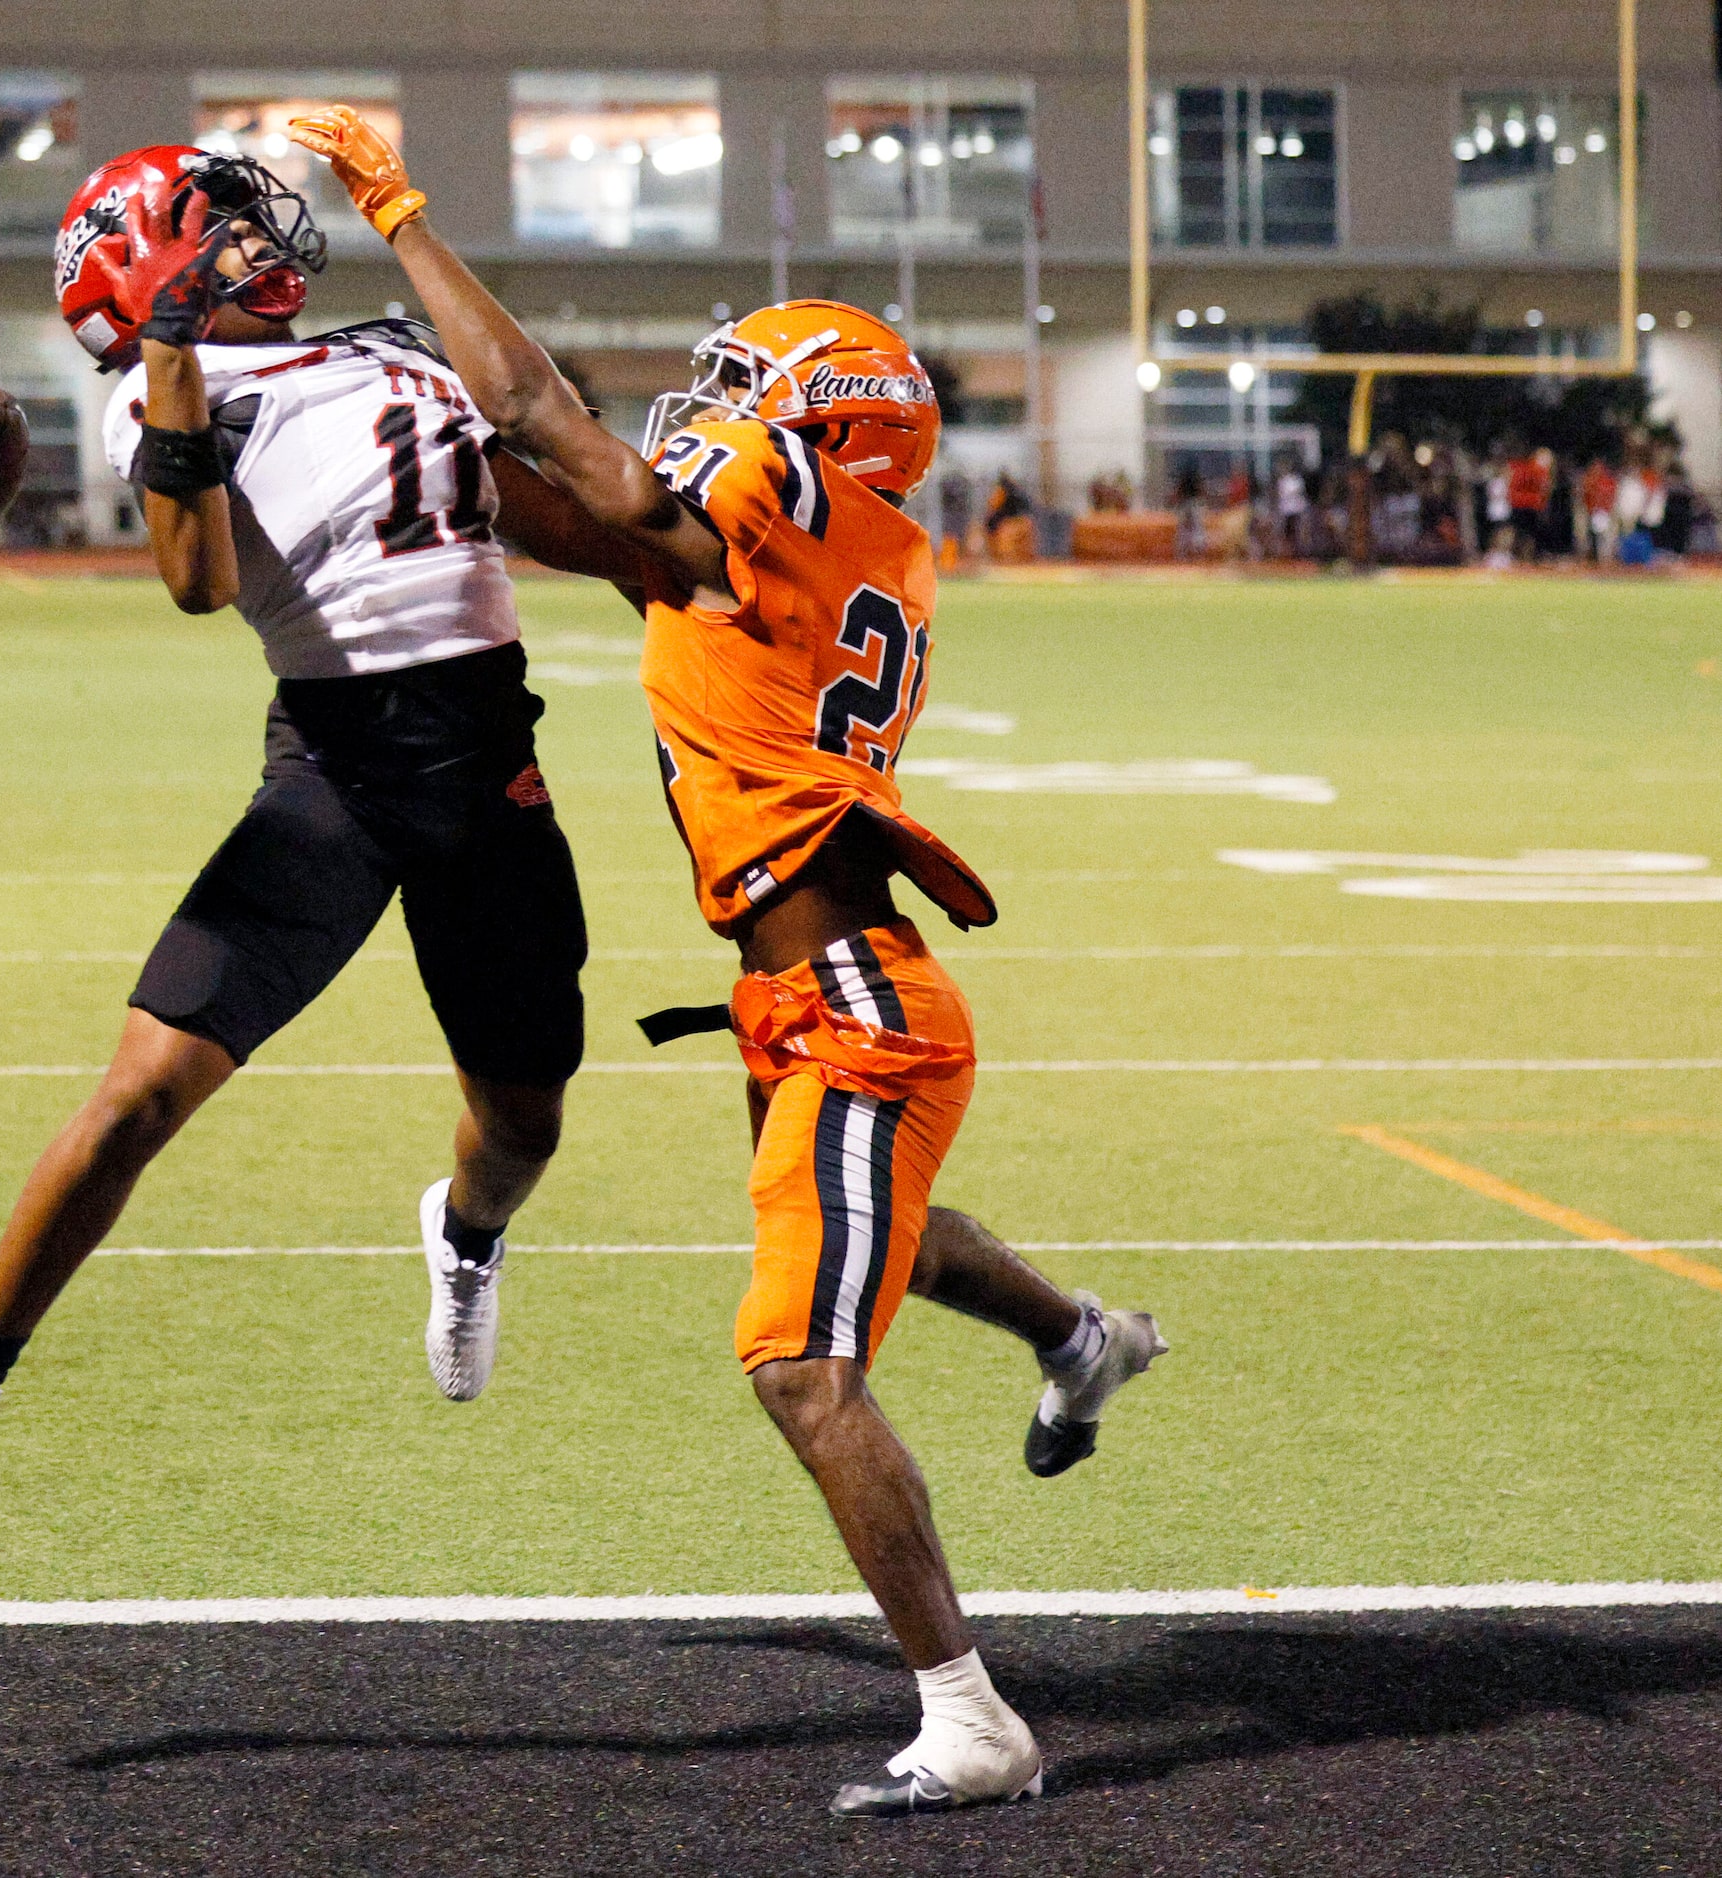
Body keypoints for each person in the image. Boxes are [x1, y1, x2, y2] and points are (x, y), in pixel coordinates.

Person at [292, 103, 1170, 1817]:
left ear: (812, 427)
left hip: (856, 1006)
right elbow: (583, 518)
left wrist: (399, 210)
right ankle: (1077, 1336)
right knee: (865, 1236)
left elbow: (571, 440)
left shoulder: (783, 510)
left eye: (736, 393)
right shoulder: (819, 553)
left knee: (795, 1356)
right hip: (813, 995)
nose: (704, 414)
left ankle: (971, 1712)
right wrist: (401, 448)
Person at [0, 143, 645, 1543]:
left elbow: (527, 510)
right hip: (336, 773)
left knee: (524, 1121)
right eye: (211, 228)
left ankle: (461, 1237)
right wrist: (164, 345)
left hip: (487, 771)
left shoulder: (391, 355)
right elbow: (198, 580)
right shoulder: (164, 395)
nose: (251, 240)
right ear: (139, 269)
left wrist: (666, 576)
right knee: (137, 1095)